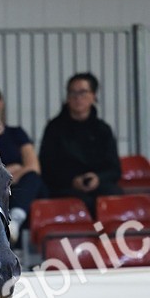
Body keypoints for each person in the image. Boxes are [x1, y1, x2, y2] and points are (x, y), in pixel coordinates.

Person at [39, 73, 122, 215]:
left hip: (99, 185)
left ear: (93, 96)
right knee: (81, 202)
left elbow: (114, 168)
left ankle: (112, 237)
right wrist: (72, 180)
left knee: (113, 196)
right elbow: (47, 166)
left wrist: (98, 178)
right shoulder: (54, 128)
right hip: (64, 187)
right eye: (72, 92)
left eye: (83, 92)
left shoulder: (103, 130)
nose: (77, 97)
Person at [0, 85, 46, 244]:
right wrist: (11, 171)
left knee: (33, 179)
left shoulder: (16, 133)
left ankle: (16, 221)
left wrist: (8, 174)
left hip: (17, 191)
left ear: (0, 104)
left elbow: (34, 167)